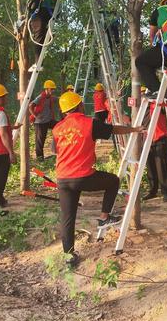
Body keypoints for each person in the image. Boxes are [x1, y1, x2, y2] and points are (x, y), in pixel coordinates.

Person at [53, 91, 143, 266]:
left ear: (65, 111)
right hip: (83, 176)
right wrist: (134, 129)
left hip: (63, 178)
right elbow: (114, 130)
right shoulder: (88, 123)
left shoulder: (58, 128)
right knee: (113, 181)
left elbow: (56, 150)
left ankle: (69, 256)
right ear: (79, 106)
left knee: (67, 218)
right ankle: (104, 217)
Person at [0, 84, 19, 214]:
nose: (6, 98)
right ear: (0, 97)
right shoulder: (0, 113)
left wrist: (11, 127)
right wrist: (11, 153)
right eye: (5, 96)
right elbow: (3, 135)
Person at [27, 0, 64, 64]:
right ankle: (39, 61)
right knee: (43, 33)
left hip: (42, 6)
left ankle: (38, 62)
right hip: (52, 9)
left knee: (38, 33)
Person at [142, 102, 167, 202]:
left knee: (162, 167)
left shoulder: (158, 103)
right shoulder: (141, 108)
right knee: (150, 167)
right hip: (147, 140)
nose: (142, 95)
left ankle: (166, 192)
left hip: (160, 139)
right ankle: (152, 191)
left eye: (143, 93)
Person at [29, 80, 58, 161]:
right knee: (40, 141)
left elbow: (59, 99)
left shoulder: (51, 98)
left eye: (53, 89)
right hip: (40, 123)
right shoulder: (40, 97)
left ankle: (55, 149)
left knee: (60, 126)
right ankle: (40, 159)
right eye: (51, 89)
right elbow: (30, 105)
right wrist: (35, 116)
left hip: (49, 121)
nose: (53, 90)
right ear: (47, 89)